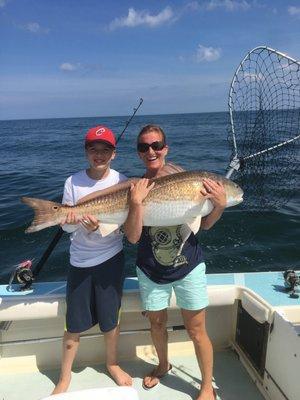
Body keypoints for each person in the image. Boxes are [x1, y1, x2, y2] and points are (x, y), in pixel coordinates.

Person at [124, 124, 226, 400]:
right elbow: (132, 237)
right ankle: (162, 364)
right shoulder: (136, 187)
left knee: (196, 329)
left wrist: (218, 205)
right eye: (144, 147)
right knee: (156, 324)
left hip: (188, 266)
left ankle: (206, 386)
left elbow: (204, 225)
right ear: (138, 153)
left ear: (165, 148)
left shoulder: (187, 178)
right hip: (150, 269)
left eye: (156, 145)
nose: (151, 151)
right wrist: (135, 204)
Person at [52, 126, 132, 395]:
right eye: (93, 149)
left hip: (111, 258)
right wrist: (78, 224)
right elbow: (65, 227)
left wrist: (100, 227)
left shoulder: (123, 180)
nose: (99, 154)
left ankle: (112, 363)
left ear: (114, 153)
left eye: (105, 150)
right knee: (73, 325)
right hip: (80, 262)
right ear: (86, 151)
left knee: (111, 320)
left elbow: (125, 220)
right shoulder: (72, 182)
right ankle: (64, 378)